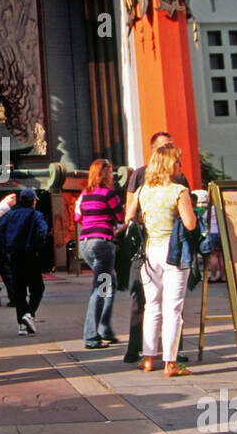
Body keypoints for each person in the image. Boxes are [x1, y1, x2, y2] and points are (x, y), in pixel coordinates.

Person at [124, 143, 197, 377]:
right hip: (173, 252)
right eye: (177, 161)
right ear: (168, 164)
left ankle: (148, 358)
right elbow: (190, 224)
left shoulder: (143, 190)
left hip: (149, 252)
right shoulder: (179, 191)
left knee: (152, 307)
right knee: (173, 308)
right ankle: (171, 363)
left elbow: (129, 217)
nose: (181, 165)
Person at [75, 158, 125, 348]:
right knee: (101, 289)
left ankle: (105, 328)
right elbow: (120, 217)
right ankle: (91, 335)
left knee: (109, 283)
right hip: (103, 245)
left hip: (86, 244)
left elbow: (79, 217)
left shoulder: (86, 195)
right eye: (110, 171)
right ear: (104, 173)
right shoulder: (109, 194)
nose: (112, 175)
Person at [0, 188, 49, 335]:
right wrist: (39, 246)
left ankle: (22, 325)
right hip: (30, 255)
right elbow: (42, 231)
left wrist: (6, 247)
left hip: (14, 256)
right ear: (33, 201)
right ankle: (29, 315)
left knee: (19, 291)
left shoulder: (11, 215)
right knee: (37, 288)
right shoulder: (36, 215)